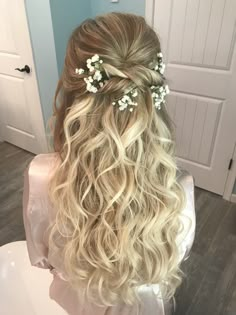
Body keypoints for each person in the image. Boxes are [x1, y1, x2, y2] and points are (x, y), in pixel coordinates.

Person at [23, 12, 195, 315]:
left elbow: (41, 257)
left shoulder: (41, 175)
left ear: (72, 88)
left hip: (78, 301)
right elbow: (173, 257)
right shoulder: (176, 190)